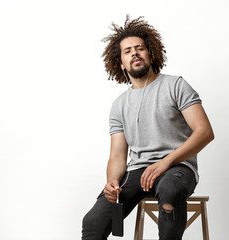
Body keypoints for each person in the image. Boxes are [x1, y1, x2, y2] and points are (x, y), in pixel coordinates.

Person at [82, 16, 214, 240]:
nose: (134, 53)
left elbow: (205, 132)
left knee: (170, 191)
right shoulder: (119, 105)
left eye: (139, 48)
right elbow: (117, 155)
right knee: (94, 221)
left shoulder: (175, 85)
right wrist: (112, 182)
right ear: (121, 63)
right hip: (138, 173)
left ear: (150, 54)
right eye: (127, 51)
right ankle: (113, 221)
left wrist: (166, 162)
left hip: (177, 168)